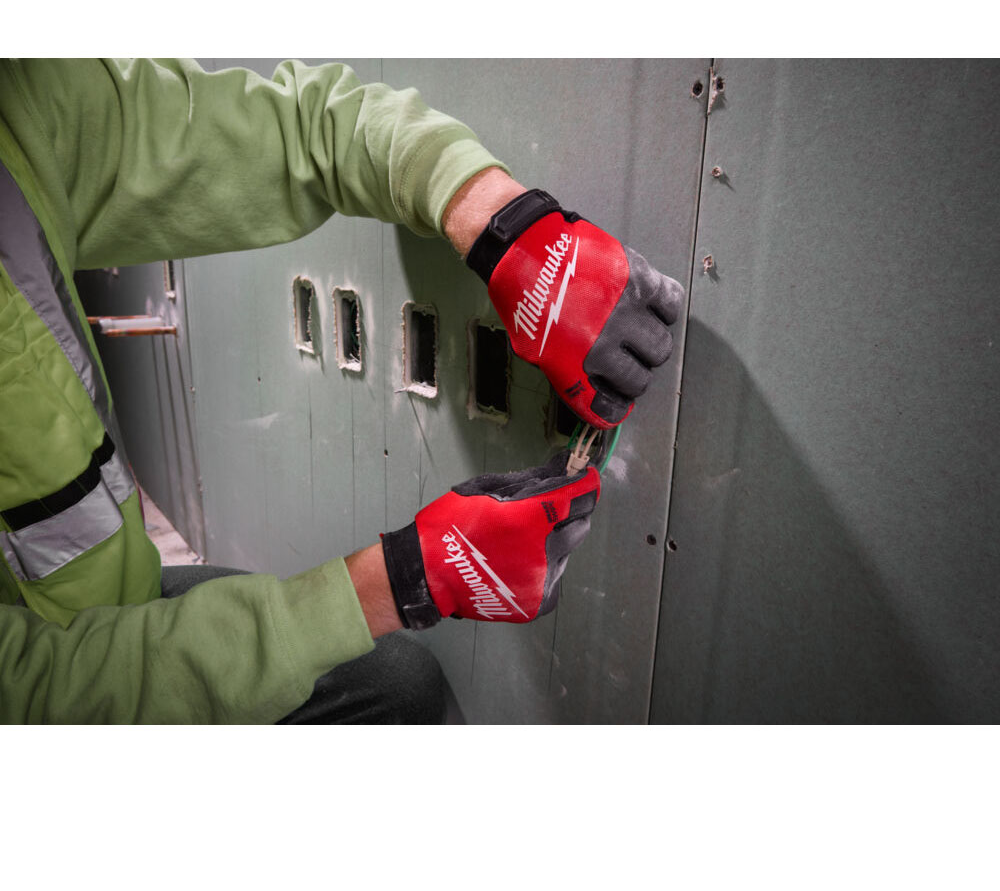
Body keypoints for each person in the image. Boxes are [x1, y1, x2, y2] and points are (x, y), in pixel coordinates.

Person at [0, 59, 683, 724]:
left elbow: (310, 128)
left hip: (117, 595)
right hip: (69, 689)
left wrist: (507, 227)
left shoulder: (22, 110)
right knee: (396, 696)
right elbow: (42, 700)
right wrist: (410, 578)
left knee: (399, 685)